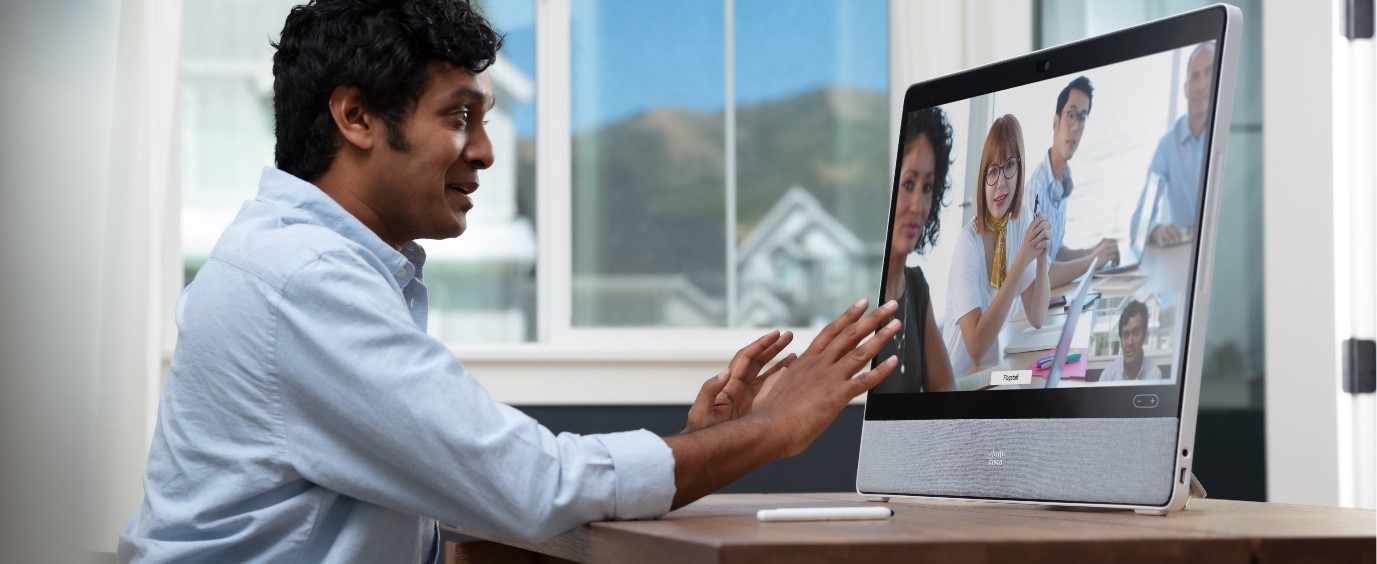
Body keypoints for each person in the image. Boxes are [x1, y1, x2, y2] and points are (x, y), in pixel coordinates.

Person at [116, 1, 903, 561]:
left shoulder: (304, 263)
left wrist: (703, 447)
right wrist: (768, 431)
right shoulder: (303, 280)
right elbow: (530, 487)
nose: (486, 151)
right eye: (459, 116)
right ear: (355, 117)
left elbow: (491, 492)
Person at [943, 115, 1052, 378]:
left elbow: (1037, 317)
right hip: (957, 383)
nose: (1001, 183)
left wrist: (1040, 257)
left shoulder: (1020, 220)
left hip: (990, 375)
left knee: (1033, 381)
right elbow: (976, 348)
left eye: (1009, 166)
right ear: (982, 179)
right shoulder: (967, 244)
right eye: (992, 171)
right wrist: (1023, 258)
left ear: (1020, 169)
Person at [871, 108, 957, 394]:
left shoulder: (916, 288)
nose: (917, 206)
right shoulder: (861, 297)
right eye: (908, 184)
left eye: (928, 186)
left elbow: (945, 386)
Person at [1011, 76, 1118, 288]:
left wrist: (1094, 250)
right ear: (1055, 122)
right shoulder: (1036, 190)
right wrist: (1094, 260)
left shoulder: (1062, 182)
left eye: (1082, 117)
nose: (1076, 126)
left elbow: (1055, 251)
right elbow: (1042, 273)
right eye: (1070, 115)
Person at [1132, 41, 1216, 248]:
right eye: (1195, 77)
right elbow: (1138, 223)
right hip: (1185, 261)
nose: (1202, 84)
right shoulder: (1167, 147)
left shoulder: (1232, 138)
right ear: (1186, 89)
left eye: (1209, 72)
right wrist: (1155, 230)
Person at [1098, 300, 1163, 382]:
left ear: (1144, 335)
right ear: (1121, 341)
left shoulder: (1154, 375)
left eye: (1135, 333)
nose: (1130, 342)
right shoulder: (1108, 376)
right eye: (1125, 335)